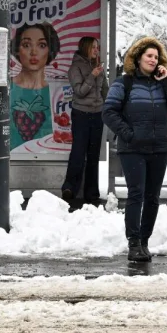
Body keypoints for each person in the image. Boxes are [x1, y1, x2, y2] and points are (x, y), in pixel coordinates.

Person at [102, 36, 167, 263]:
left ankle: (145, 242)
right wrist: (129, 135)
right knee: (136, 194)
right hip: (133, 149)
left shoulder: (163, 82)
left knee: (152, 197)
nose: (153, 59)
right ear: (138, 58)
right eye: (149, 55)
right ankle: (134, 243)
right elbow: (108, 112)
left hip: (159, 148)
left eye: (156, 57)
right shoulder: (123, 83)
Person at [62, 36, 107, 207]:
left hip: (98, 114)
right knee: (78, 152)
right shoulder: (75, 67)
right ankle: (69, 188)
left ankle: (91, 193)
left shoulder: (98, 66)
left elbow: (105, 91)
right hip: (81, 113)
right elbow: (79, 91)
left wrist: (109, 106)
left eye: (98, 47)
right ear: (85, 48)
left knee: (93, 154)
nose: (97, 50)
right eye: (94, 47)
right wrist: (92, 76)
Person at [10, 22, 59, 150]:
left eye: (42, 45)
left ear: (50, 50)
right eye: (26, 45)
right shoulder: (6, 89)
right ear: (17, 49)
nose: (34, 52)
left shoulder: (56, 93)